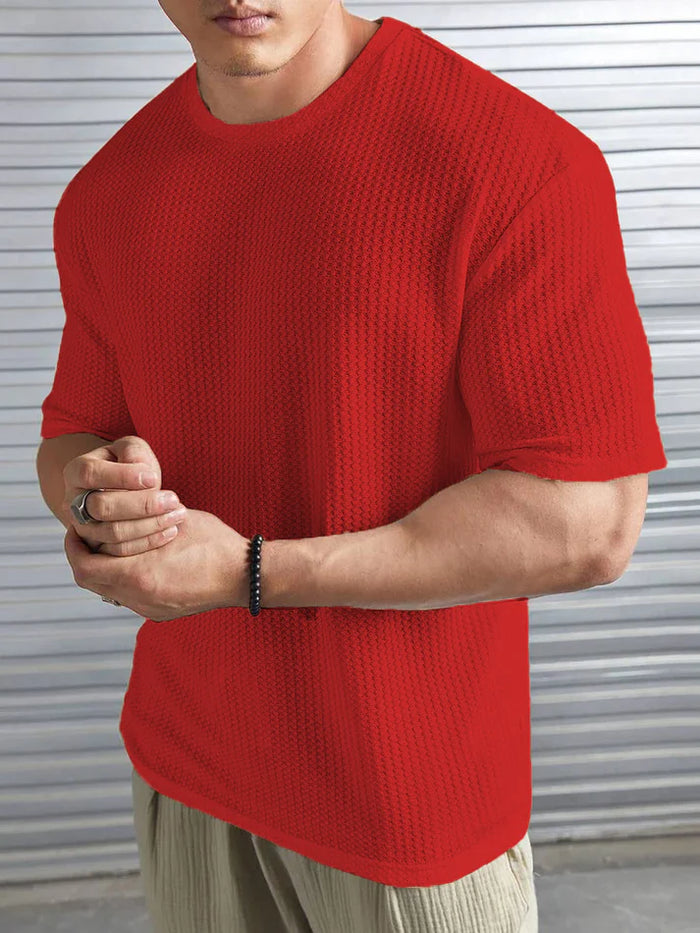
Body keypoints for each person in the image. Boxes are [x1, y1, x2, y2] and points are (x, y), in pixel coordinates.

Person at [35, 1, 668, 931]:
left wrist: (252, 571)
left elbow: (589, 524)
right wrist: (96, 498)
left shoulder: (516, 162)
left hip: (408, 805)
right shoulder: (109, 193)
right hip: (190, 772)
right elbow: (73, 434)